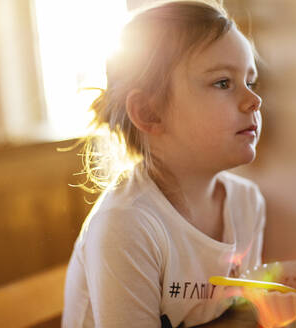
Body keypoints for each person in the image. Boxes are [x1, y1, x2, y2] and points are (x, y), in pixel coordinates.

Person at [62, 1, 266, 327]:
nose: (254, 100)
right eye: (223, 82)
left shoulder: (246, 203)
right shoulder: (126, 226)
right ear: (148, 112)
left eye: (250, 82)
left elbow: (241, 317)